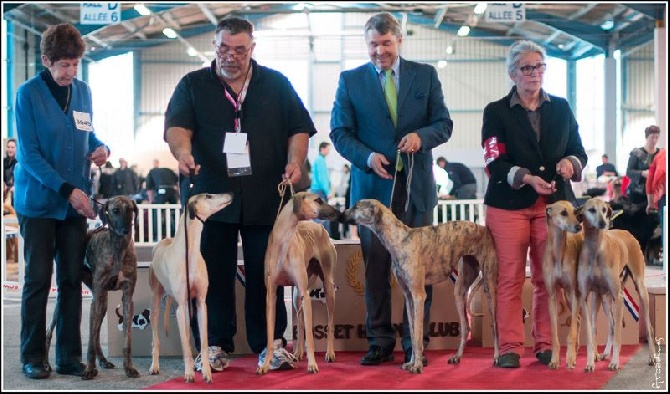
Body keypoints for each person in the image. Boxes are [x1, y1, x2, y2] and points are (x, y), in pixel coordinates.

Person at [164, 16, 316, 373]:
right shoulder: (193, 84)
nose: (230, 56)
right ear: (214, 46)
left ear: (252, 48)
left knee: (269, 273)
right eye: (223, 48)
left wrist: (295, 161)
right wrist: (182, 153)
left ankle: (271, 344)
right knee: (212, 271)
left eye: (239, 50)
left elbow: (299, 128)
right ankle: (214, 344)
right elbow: (177, 128)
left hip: (267, 192)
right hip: (212, 195)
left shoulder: (276, 84)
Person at [330, 12, 453, 366]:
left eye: (386, 43)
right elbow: (339, 133)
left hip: (416, 191)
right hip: (372, 192)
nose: (379, 50)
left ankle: (416, 343)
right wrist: (367, 157)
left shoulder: (425, 75)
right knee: (376, 269)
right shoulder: (350, 80)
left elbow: (443, 123)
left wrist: (422, 137)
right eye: (373, 44)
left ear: (399, 41)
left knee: (420, 270)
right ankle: (380, 340)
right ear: (366, 44)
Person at [480, 40, 587, 368]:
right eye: (526, 68)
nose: (534, 74)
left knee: (548, 278)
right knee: (510, 277)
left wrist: (570, 162)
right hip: (508, 204)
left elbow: (578, 151)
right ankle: (510, 346)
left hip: (554, 208)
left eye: (539, 67)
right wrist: (526, 177)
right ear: (512, 74)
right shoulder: (495, 111)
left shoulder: (561, 107)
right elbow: (494, 161)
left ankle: (545, 343)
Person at [13, 23, 110, 379]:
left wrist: (102, 148)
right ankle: (33, 356)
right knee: (38, 280)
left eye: (75, 64)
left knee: (71, 278)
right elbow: (30, 154)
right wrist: (67, 190)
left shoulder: (83, 91)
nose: (70, 72)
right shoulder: (27, 95)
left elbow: (85, 132)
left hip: (74, 205)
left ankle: (69, 356)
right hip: (39, 203)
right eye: (63, 64)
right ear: (46, 60)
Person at [626, 125, 661, 205]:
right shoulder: (637, 153)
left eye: (656, 137)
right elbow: (629, 172)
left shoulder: (660, 153)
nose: (654, 140)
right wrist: (642, 173)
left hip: (654, 193)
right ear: (646, 137)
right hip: (637, 193)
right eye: (652, 137)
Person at [310, 142, 337, 238]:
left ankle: (321, 237)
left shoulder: (318, 160)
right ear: (322, 149)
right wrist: (328, 191)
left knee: (319, 215)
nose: (329, 151)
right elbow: (323, 178)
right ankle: (323, 238)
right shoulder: (320, 161)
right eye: (328, 149)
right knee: (323, 215)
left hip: (316, 190)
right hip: (320, 191)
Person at [646, 147, 665, 262]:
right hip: (663, 194)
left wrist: (650, 202)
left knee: (665, 227)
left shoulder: (660, 155)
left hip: (664, 194)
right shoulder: (660, 155)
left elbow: (650, 180)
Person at [3, 137, 17, 204]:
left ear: (16, 149)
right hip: (5, 190)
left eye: (12, 147)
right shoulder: (3, 161)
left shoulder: (19, 163)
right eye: (8, 147)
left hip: (14, 190)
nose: (10, 149)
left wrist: (15, 187)